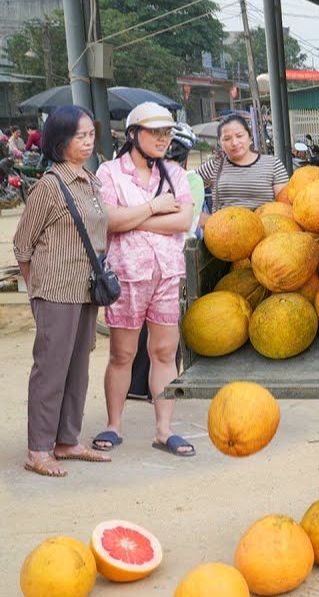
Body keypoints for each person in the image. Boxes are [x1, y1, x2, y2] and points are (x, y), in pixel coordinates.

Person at [91, 103, 195, 457]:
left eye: (167, 132)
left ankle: (164, 431)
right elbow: (109, 221)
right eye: (155, 132)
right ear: (134, 134)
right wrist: (153, 208)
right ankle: (113, 425)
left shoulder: (175, 174)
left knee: (164, 351)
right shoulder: (109, 173)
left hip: (166, 274)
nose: (164, 139)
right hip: (128, 277)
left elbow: (182, 222)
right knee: (122, 353)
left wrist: (133, 218)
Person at [12, 106, 110, 476]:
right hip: (55, 291)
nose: (87, 142)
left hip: (86, 289)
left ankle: (67, 440)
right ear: (59, 140)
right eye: (79, 136)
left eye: (90, 134)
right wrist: (38, 293)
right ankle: (38, 449)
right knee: (51, 370)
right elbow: (23, 245)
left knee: (78, 369)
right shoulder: (49, 187)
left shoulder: (90, 180)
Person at [125, 121, 202, 404]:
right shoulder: (141, 178)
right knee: (141, 325)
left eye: (171, 156)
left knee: (167, 329)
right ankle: (137, 385)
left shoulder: (189, 181)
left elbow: (181, 223)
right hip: (140, 261)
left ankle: (161, 390)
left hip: (174, 261)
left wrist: (138, 220)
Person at [196, 113, 288, 229]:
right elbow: (182, 186)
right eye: (227, 139)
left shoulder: (273, 164)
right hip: (223, 234)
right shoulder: (215, 165)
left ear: (250, 137)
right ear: (220, 143)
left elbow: (285, 205)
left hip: (265, 235)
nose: (234, 143)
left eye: (239, 136)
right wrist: (197, 216)